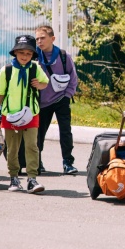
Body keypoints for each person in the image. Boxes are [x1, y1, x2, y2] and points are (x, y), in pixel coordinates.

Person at [0, 35, 49, 193]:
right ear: (15, 52)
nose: (25, 56)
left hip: (31, 114)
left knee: (32, 146)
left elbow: (45, 83)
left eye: (29, 53)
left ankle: (32, 178)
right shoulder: (7, 70)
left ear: (33, 55)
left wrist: (40, 84)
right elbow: (0, 93)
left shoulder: (35, 68)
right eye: (21, 52)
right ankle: (14, 177)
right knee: (12, 148)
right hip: (10, 115)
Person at [34, 26, 79, 174]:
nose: (39, 41)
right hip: (42, 102)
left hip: (61, 99)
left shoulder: (63, 56)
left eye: (43, 38)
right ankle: (37, 161)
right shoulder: (34, 57)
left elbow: (73, 78)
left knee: (65, 131)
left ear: (52, 39)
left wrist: (67, 96)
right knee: (39, 133)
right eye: (37, 39)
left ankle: (68, 162)